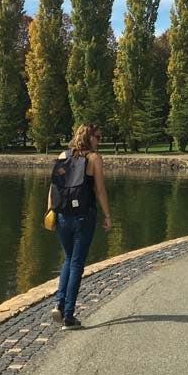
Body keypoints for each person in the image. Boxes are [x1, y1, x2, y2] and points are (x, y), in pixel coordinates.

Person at [50, 124, 113, 329]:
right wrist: (107, 215)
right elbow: (100, 189)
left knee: (68, 259)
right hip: (83, 217)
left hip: (62, 216)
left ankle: (59, 304)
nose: (100, 140)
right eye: (98, 136)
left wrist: (50, 211)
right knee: (77, 264)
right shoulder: (94, 159)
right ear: (89, 137)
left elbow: (54, 187)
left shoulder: (63, 155)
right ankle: (69, 316)